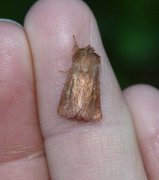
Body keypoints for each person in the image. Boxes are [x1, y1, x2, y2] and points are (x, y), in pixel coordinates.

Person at [0, 0, 158, 179]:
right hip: (87, 86)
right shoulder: (93, 60)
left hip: (75, 82)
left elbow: (76, 58)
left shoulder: (82, 58)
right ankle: (86, 111)